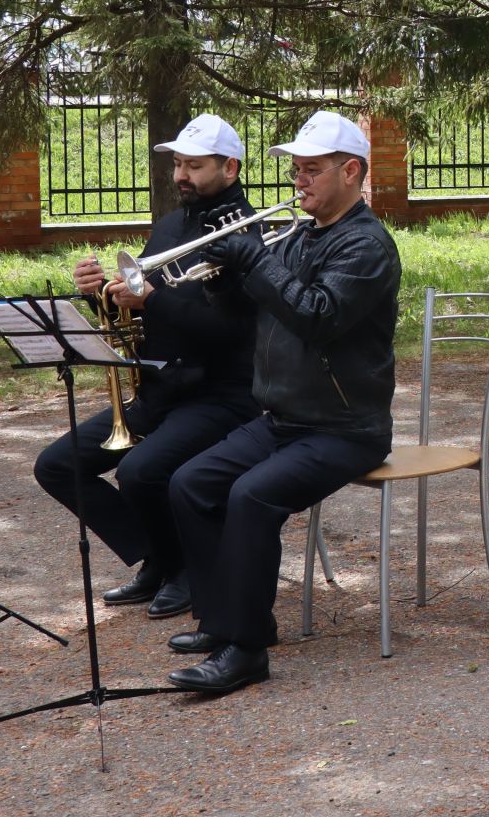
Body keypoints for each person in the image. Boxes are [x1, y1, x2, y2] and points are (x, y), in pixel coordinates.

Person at [162, 109, 402, 694]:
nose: (299, 181)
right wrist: (224, 278)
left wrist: (255, 260)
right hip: (284, 418)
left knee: (251, 495)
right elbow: (253, 312)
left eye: (311, 170)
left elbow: (317, 316)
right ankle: (223, 620)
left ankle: (246, 650)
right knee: (190, 483)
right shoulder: (300, 234)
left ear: (351, 172)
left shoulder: (367, 245)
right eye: (296, 170)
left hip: (345, 427)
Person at [33, 114, 260, 621]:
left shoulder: (250, 233)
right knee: (56, 465)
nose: (181, 174)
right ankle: (160, 558)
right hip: (163, 386)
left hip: (222, 394)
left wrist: (149, 301)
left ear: (231, 167)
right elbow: (135, 310)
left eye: (194, 166)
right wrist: (101, 296)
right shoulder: (172, 225)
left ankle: (186, 570)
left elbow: (231, 330)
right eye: (177, 163)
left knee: (140, 471)